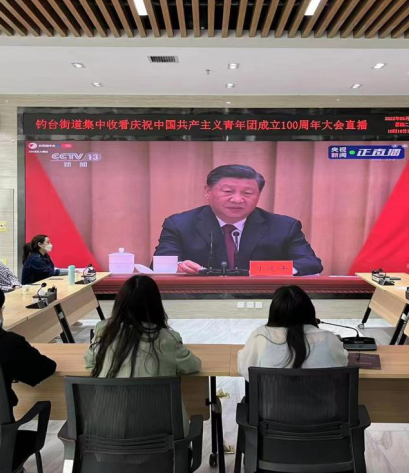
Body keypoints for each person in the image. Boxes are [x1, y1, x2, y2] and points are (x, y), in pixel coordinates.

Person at [153, 164, 323, 276]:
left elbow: (311, 263)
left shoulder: (284, 226)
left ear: (258, 196)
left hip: (264, 302)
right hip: (198, 302)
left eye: (247, 193)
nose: (237, 199)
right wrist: (179, 265)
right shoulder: (179, 224)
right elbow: (159, 263)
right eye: (228, 191)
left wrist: (268, 270)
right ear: (208, 192)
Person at [85, 275, 200, 433]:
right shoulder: (167, 339)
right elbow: (193, 366)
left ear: (119, 303)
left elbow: (90, 362)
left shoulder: (104, 331)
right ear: (156, 305)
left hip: (105, 434)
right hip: (161, 438)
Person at [237, 285, 348, 380]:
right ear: (309, 311)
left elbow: (245, 369)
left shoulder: (261, 336)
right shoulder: (327, 338)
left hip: (273, 400)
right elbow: (342, 364)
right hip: (321, 400)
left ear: (274, 312)